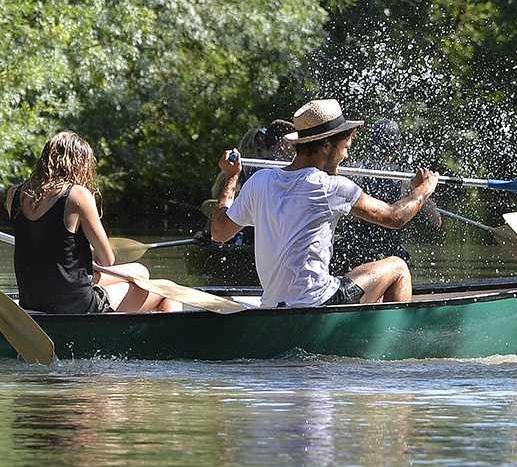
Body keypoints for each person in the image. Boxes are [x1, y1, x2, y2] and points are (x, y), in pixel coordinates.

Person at [211, 99, 439, 307]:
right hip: (318, 302)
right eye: (345, 148)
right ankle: (393, 346)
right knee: (398, 266)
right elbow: (394, 217)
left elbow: (219, 232)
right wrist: (423, 189)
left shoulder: (260, 181)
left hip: (272, 304)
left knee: (364, 279)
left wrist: (231, 176)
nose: (346, 157)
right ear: (326, 147)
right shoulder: (333, 187)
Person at [4, 131, 179, 313]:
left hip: (31, 300)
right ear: (80, 164)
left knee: (140, 271)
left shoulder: (13, 194)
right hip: (74, 305)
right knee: (168, 289)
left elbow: (42, 243)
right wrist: (92, 254)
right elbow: (107, 259)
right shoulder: (78, 195)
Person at [330, 118, 442, 275]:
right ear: (397, 146)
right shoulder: (405, 182)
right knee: (401, 261)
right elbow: (434, 223)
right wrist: (422, 189)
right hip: (386, 257)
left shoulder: (351, 174)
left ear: (370, 144)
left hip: (348, 255)